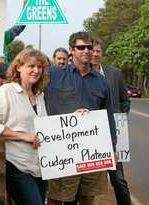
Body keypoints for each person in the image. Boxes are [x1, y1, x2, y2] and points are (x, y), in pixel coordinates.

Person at [45, 31, 117, 205]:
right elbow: (25, 71)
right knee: (57, 198)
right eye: (81, 47)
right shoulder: (53, 75)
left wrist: (113, 145)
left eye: (89, 47)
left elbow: (108, 114)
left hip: (93, 150)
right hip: (62, 149)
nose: (86, 50)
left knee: (87, 197)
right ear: (71, 50)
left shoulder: (101, 81)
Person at [0, 48, 49, 205]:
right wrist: (23, 136)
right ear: (19, 67)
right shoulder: (5, 92)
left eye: (40, 67)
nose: (36, 71)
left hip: (38, 167)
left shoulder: (39, 96)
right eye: (31, 66)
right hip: (15, 165)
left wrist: (78, 115)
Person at [91, 37, 131, 205]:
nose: (94, 54)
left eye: (97, 51)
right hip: (88, 135)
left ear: (102, 53)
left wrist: (119, 117)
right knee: (87, 185)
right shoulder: (77, 74)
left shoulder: (114, 73)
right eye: (91, 50)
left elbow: (125, 101)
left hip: (114, 136)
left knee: (118, 180)